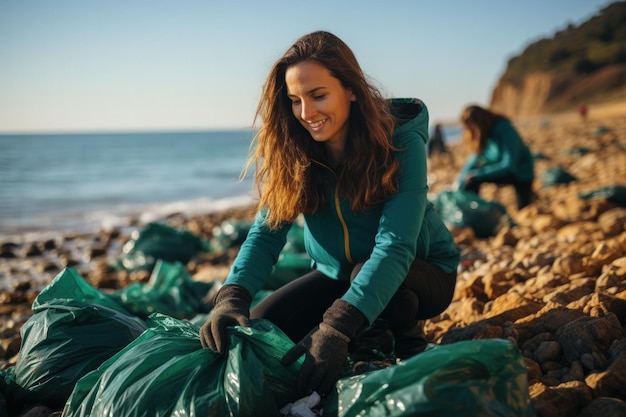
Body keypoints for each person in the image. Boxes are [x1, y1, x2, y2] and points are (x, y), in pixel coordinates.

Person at [199, 31, 460, 397]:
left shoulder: (399, 140)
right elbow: (267, 232)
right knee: (259, 331)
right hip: (337, 275)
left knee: (369, 284)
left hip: (422, 272)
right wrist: (232, 296)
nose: (307, 114)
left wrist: (337, 327)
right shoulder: (296, 151)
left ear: (351, 89)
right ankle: (365, 322)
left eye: (318, 95)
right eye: (295, 100)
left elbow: (396, 245)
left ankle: (407, 340)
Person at [456, 105, 535, 210]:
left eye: (470, 127)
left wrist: (477, 174)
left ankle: (473, 210)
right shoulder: (485, 134)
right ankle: (471, 211)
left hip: (520, 173)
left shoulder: (505, 129)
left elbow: (509, 165)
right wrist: (459, 181)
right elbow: (473, 160)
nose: (469, 131)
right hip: (505, 169)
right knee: (470, 179)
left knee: (524, 208)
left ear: (477, 123)